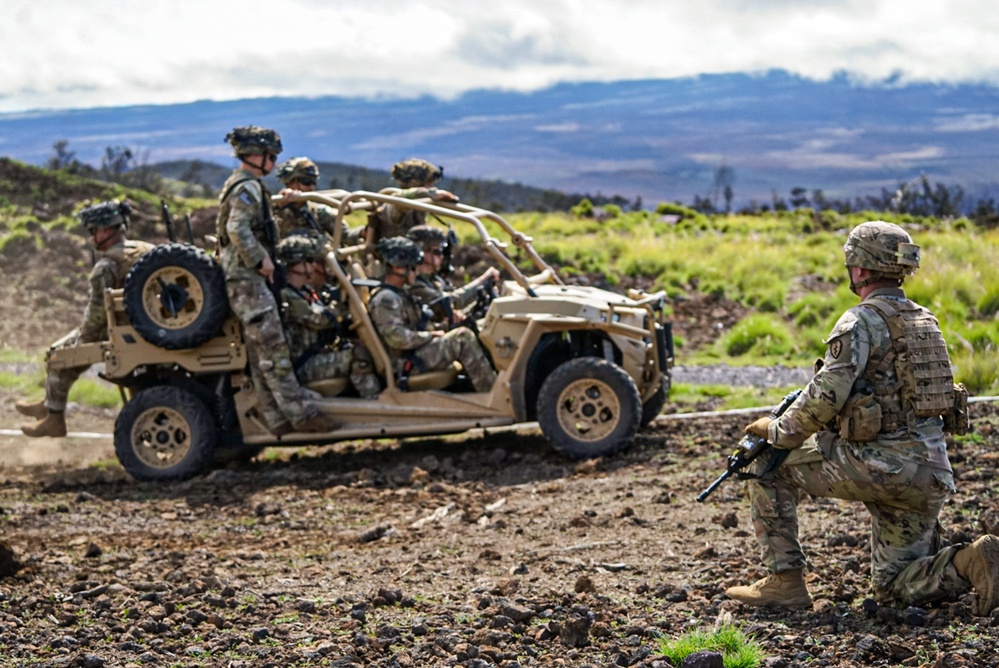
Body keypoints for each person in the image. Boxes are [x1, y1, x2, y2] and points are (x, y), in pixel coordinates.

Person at [725, 220, 999, 615]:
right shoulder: (925, 320)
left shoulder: (860, 321)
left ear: (861, 268)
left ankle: (785, 582)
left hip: (881, 467)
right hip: (930, 475)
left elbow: (823, 398)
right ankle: (973, 560)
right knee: (892, 587)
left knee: (765, 464)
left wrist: (777, 431)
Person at [216, 126, 338, 434]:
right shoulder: (248, 188)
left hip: (242, 279)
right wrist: (262, 260)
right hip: (247, 279)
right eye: (270, 156)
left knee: (260, 353)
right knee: (273, 347)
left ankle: (275, 417)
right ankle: (301, 415)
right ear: (257, 156)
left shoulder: (244, 185)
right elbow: (237, 228)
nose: (273, 163)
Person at [17, 200, 154, 437]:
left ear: (106, 231)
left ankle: (55, 419)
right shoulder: (147, 249)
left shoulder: (107, 266)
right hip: (151, 324)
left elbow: (96, 314)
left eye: (93, 231)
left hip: (120, 328)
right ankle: (49, 406)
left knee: (58, 354)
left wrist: (81, 340)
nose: (91, 238)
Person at [367, 237, 496, 393]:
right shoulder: (386, 299)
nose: (417, 272)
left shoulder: (401, 293)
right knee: (461, 339)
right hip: (406, 361)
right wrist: (430, 335)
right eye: (413, 267)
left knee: (467, 328)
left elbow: (414, 325)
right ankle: (492, 394)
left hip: (414, 352)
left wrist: (441, 326)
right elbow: (397, 338)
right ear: (398, 268)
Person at [275, 236, 380, 399]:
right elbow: (321, 321)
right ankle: (375, 401)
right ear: (294, 264)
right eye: (309, 260)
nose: (314, 265)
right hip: (305, 366)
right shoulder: (288, 296)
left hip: (319, 356)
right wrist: (339, 300)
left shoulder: (305, 291)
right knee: (359, 355)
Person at [406, 225, 500, 326]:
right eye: (438, 252)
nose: (442, 256)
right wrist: (483, 279)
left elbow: (455, 308)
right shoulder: (414, 283)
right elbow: (454, 301)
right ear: (422, 252)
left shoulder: (432, 279)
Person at [365, 158, 458, 246]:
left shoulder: (419, 206)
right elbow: (397, 201)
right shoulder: (395, 205)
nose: (431, 186)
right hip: (398, 258)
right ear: (416, 183)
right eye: (428, 182)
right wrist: (429, 193)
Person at [273, 156, 357, 245]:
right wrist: (278, 206)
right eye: (306, 182)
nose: (311, 187)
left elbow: (347, 236)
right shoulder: (272, 211)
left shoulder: (318, 212)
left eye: (314, 182)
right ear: (290, 182)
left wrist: (365, 232)